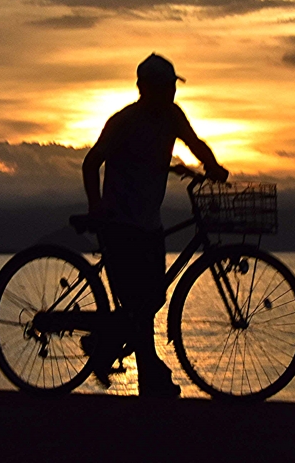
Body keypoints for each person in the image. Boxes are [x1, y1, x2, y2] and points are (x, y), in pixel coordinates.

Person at [82, 53, 229, 397]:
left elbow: (195, 144)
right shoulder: (123, 122)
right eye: (164, 88)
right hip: (119, 222)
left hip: (148, 223)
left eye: (172, 88)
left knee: (150, 299)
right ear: (143, 88)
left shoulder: (172, 117)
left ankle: (116, 353)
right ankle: (149, 375)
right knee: (140, 302)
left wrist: (213, 166)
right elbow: (91, 164)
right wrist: (96, 207)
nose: (170, 94)